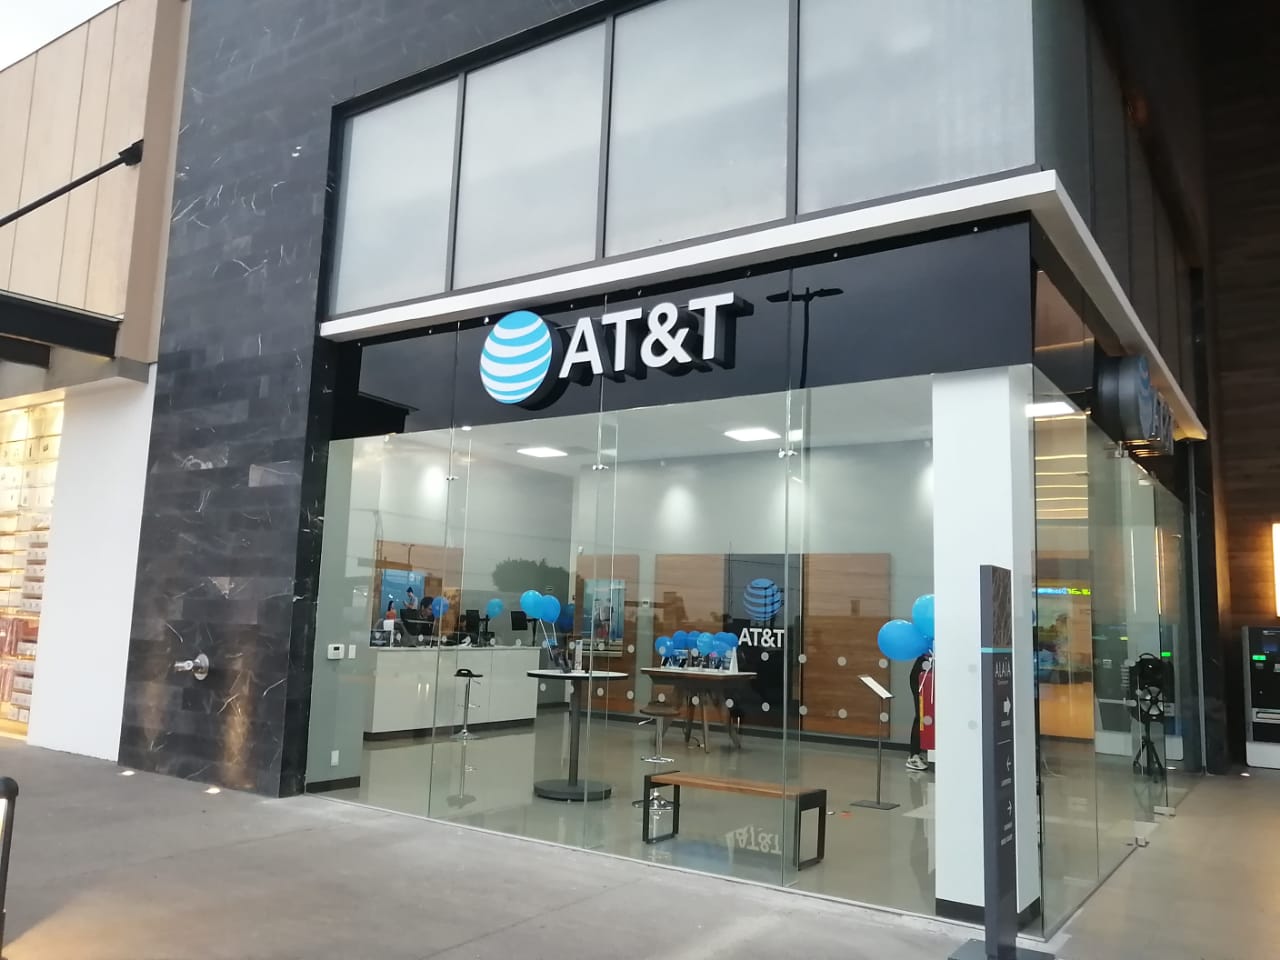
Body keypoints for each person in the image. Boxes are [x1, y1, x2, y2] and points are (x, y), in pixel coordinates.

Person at [906, 650, 933, 771]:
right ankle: (913, 756)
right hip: (921, 672)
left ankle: (916, 753)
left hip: (927, 670)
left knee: (925, 714)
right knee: (921, 714)